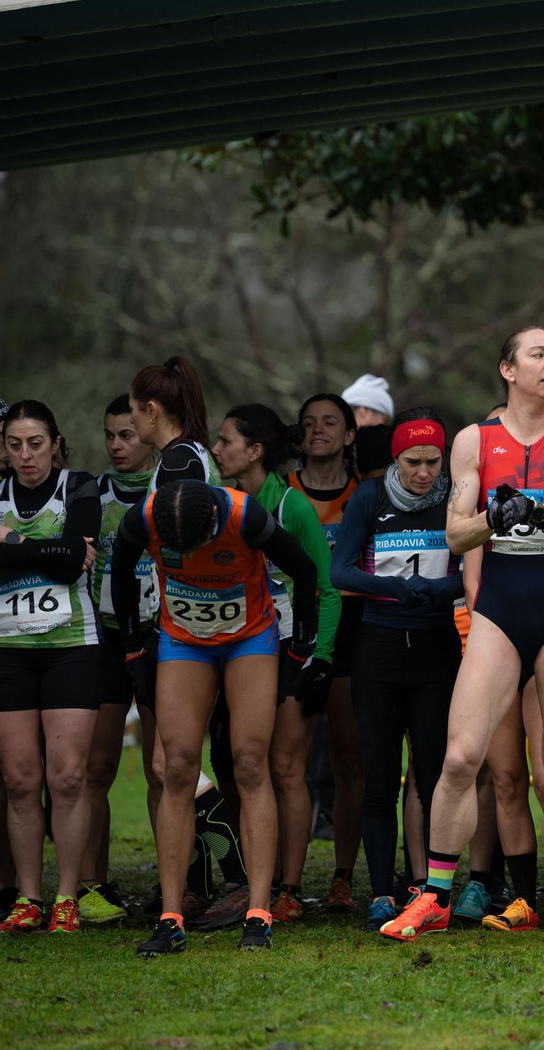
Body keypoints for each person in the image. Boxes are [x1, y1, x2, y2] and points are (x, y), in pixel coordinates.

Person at [381, 257, 544, 946]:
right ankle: (435, 895)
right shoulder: (474, 441)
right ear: (507, 370)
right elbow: (456, 530)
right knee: (459, 759)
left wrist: (540, 518)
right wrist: (494, 517)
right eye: (538, 354)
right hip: (500, 612)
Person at [113, 479, 318, 955]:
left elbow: (305, 571)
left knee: (249, 761)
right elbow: (119, 572)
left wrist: (301, 648)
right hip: (184, 640)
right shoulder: (142, 518)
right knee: (178, 766)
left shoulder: (245, 516)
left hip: (249, 638)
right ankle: (170, 918)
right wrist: (132, 649)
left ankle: (259, 912)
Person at [328, 410, 464, 932]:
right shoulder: (369, 497)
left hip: (435, 647)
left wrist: (440, 591)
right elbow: (339, 569)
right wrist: (391, 589)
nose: (425, 473)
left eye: (433, 461)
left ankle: (431, 889)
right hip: (379, 647)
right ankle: (381, 892)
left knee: (433, 776)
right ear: (396, 458)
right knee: (379, 778)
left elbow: (476, 568)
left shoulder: (454, 497)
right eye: (414, 462)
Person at [210, 405, 340, 923]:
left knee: (284, 768)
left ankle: (285, 889)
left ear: (254, 451)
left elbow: (326, 590)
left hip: (291, 649)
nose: (216, 450)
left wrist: (321, 659)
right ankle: (240, 880)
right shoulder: (217, 504)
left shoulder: (292, 508)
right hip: (233, 646)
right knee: (234, 764)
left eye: (225, 441)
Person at [0, 402, 103, 935]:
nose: (25, 455)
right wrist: (52, 548)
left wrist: (12, 544)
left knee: (66, 778)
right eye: (14, 445)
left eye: (35, 443)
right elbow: (63, 554)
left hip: (71, 647)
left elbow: (74, 560)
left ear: (55, 443)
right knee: (19, 780)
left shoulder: (80, 487)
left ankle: (66, 897)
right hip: (8, 651)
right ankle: (28, 898)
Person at [80, 395, 159, 925]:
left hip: (159, 638)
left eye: (127, 435)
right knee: (96, 767)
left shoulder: (169, 485)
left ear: (148, 434)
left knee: (165, 768)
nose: (116, 445)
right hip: (105, 639)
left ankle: (178, 884)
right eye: (110, 435)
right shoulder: (90, 491)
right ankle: (91, 886)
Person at [286, 393, 365, 912]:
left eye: (330, 422)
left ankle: (342, 877)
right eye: (309, 423)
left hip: (355, 629)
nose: (319, 430)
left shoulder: (366, 494)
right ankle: (284, 885)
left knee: (348, 758)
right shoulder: (283, 493)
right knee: (286, 760)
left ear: (349, 435)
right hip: (293, 627)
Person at [129, 355, 220, 492]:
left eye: (132, 409)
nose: (131, 419)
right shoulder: (193, 451)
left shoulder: (177, 465)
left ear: (151, 410)